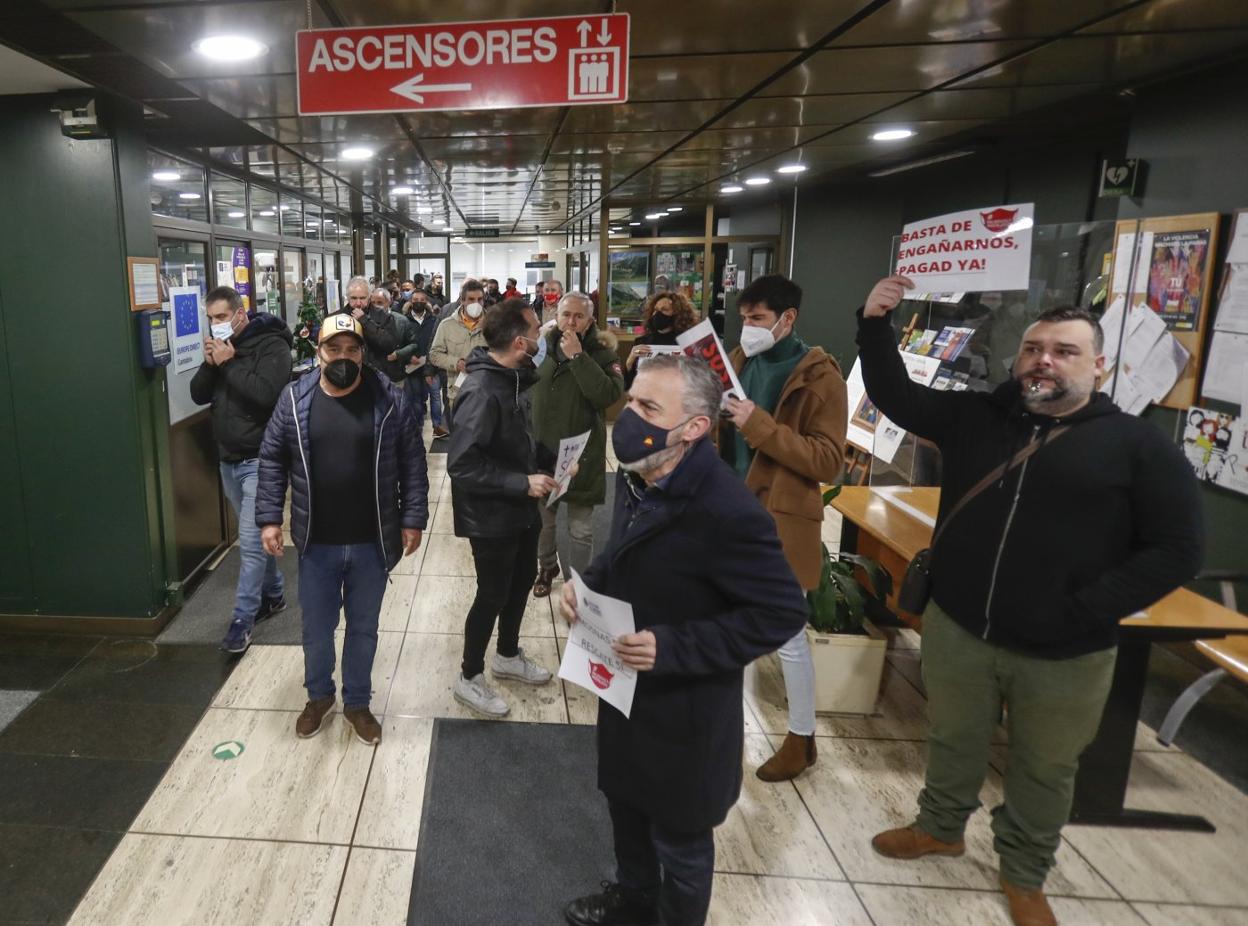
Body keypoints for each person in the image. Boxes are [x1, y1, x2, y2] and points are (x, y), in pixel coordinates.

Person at [859, 275, 1203, 926]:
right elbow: (895, 396)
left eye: (1065, 350)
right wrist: (876, 325)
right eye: (1033, 347)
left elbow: (1177, 549)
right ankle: (940, 828)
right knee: (953, 739)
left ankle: (1022, 872)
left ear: (1099, 366)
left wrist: (1086, 608)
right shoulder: (976, 419)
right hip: (960, 626)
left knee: (1044, 769)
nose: (1044, 359)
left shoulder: (1138, 448)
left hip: (1067, 650)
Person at [560, 353, 808, 926]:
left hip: (686, 712)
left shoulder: (727, 511)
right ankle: (632, 897)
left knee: (682, 842)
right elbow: (621, 557)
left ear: (695, 427)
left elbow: (779, 611)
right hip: (624, 691)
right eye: (632, 401)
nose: (629, 417)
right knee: (626, 808)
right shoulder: (642, 473)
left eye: (649, 407)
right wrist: (587, 587)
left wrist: (673, 647)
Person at [256, 313, 429, 745]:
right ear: (319, 352)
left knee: (364, 628)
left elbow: (412, 461)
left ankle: (357, 702)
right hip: (317, 541)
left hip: (373, 540)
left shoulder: (387, 398)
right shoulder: (295, 399)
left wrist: (412, 518)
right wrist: (270, 518)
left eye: (353, 349)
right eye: (335, 349)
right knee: (315, 629)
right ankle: (319, 697)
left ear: (363, 352)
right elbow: (273, 460)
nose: (344, 357)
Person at [719, 274, 847, 783]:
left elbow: (827, 460)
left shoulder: (820, 377)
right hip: (727, 507)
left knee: (788, 635)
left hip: (778, 516)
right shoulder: (744, 358)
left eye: (757, 319)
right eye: (744, 318)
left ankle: (801, 739)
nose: (747, 328)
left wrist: (758, 424)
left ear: (787, 319)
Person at [447, 299, 558, 717]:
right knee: (492, 593)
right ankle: (470, 675)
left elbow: (519, 441)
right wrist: (520, 482)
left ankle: (507, 656)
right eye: (536, 331)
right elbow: (462, 464)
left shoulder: (513, 379)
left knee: (521, 580)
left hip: (520, 506)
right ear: (518, 341)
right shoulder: (480, 390)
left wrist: (552, 460)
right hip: (490, 513)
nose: (540, 337)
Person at [189, 285, 293, 655]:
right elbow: (199, 394)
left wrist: (230, 363)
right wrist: (210, 362)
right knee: (256, 541)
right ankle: (275, 595)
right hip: (228, 460)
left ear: (240, 313)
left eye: (221, 317)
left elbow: (267, 395)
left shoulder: (272, 345)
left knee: (249, 543)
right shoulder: (219, 351)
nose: (216, 324)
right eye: (211, 319)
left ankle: (241, 621)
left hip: (262, 459)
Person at [530, 292, 624, 596]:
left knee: (580, 529)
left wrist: (578, 358)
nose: (570, 321)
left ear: (590, 319)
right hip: (543, 448)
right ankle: (546, 567)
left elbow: (608, 396)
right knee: (544, 522)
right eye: (565, 314)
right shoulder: (542, 344)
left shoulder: (603, 351)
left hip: (580, 453)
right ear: (556, 315)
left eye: (578, 316)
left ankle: (578, 586)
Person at [429, 279, 488, 417]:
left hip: (486, 391)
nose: (476, 304)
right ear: (462, 300)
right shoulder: (447, 325)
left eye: (480, 299)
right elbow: (434, 354)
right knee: (459, 433)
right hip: (457, 391)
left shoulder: (493, 324)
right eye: (471, 299)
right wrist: (456, 363)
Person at [623, 291, 698, 390]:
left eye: (664, 310)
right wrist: (629, 362)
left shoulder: (689, 343)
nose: (657, 314)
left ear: (677, 314)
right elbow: (628, 386)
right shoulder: (642, 341)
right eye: (655, 310)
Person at [395, 289, 446, 437]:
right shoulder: (404, 320)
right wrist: (408, 357)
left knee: (435, 397)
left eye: (422, 300)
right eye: (415, 299)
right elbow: (400, 342)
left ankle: (437, 426)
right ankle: (418, 427)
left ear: (426, 302)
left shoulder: (434, 320)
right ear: (411, 301)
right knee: (416, 399)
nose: (419, 302)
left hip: (431, 365)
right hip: (413, 367)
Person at [336, 277, 400, 381]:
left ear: (369, 297)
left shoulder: (384, 316)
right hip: (346, 374)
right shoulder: (336, 317)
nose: (358, 303)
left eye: (362, 298)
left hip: (375, 375)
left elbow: (389, 344)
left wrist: (364, 321)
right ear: (347, 297)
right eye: (353, 298)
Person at [366, 287, 410, 385]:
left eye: (380, 303)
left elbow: (412, 344)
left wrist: (399, 354)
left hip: (395, 375)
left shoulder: (401, 321)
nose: (376, 306)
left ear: (389, 302)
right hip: (373, 374)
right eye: (373, 303)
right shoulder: (366, 320)